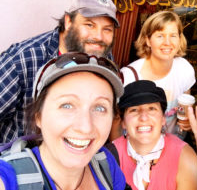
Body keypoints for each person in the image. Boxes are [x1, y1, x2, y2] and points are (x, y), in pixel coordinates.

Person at [0, 0, 120, 144]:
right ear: (68, 21)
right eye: (89, 25)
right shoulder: (22, 59)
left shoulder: (102, 57)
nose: (98, 36)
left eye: (107, 29)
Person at [0, 52, 126, 190]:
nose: (85, 127)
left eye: (100, 108)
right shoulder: (8, 178)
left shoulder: (106, 164)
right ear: (39, 117)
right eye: (67, 105)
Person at [119, 11, 195, 140]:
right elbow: (117, 123)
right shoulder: (128, 77)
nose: (167, 42)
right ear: (148, 40)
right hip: (138, 151)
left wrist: (188, 121)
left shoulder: (184, 68)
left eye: (173, 35)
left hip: (172, 147)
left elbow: (185, 107)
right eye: (160, 36)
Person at [113, 80, 197, 190]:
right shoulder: (108, 156)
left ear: (163, 119)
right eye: (134, 110)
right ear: (123, 122)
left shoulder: (184, 156)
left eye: (152, 109)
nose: (143, 117)